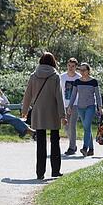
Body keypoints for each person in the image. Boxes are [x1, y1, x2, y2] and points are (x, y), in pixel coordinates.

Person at [22, 52, 66, 180]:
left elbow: (27, 95)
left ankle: (40, 172)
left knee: (40, 142)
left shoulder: (33, 76)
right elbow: (59, 97)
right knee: (55, 141)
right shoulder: (55, 76)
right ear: (53, 62)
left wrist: (24, 110)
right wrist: (62, 115)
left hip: (38, 112)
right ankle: (55, 171)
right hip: (52, 112)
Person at [67, 62, 103, 157]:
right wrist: (70, 106)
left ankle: (84, 148)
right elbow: (73, 95)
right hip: (80, 107)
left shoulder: (93, 81)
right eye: (80, 70)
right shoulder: (77, 82)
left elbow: (98, 96)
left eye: (84, 70)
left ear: (88, 71)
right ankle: (91, 149)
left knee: (86, 126)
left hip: (90, 107)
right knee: (87, 128)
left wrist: (100, 107)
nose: (82, 72)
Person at [60, 58, 81, 155]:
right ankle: (73, 144)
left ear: (76, 67)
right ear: (67, 66)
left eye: (73, 66)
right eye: (69, 66)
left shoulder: (79, 78)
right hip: (64, 104)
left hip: (75, 105)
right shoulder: (62, 77)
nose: (71, 68)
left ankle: (71, 148)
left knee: (72, 126)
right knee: (65, 126)